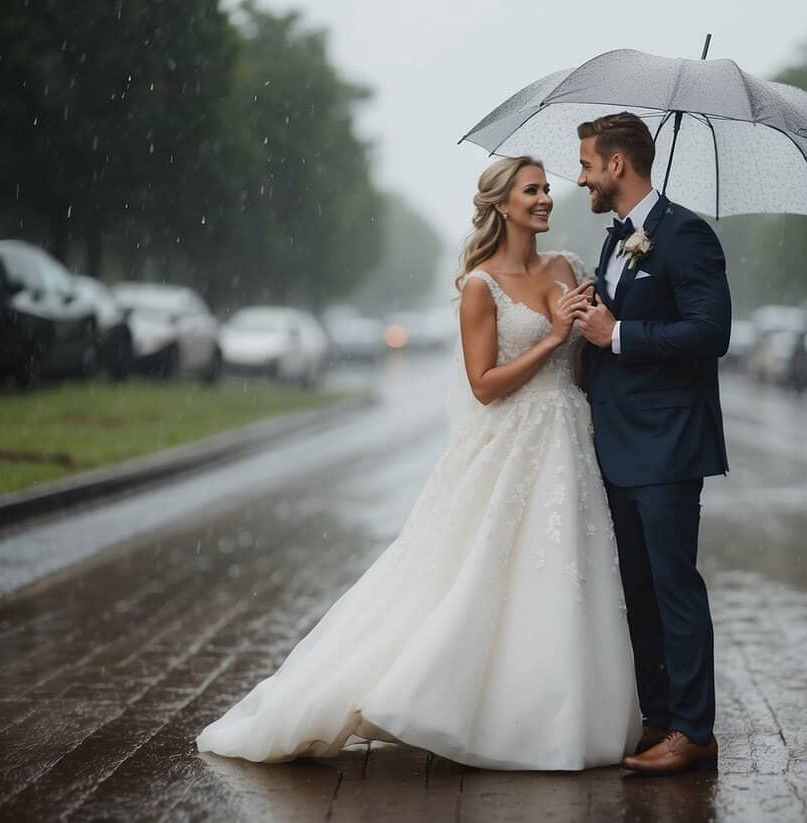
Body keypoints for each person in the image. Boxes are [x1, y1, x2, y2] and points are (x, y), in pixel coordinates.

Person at [195, 156, 640, 771]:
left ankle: (560, 713)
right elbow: (484, 385)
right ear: (501, 204)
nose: (544, 199)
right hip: (514, 444)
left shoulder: (571, 268)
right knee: (480, 574)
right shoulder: (480, 287)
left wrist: (595, 332)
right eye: (531, 190)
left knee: (565, 574)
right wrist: (550, 336)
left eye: (545, 189)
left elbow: (588, 359)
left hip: (572, 438)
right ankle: (427, 696)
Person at [573, 112, 732, 775]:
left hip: (668, 444)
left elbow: (709, 332)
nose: (578, 175)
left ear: (617, 165)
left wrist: (619, 335)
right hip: (617, 442)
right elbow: (620, 316)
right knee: (636, 588)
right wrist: (592, 310)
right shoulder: (617, 238)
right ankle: (660, 717)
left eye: (586, 163)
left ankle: (695, 730)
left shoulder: (687, 233)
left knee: (673, 586)